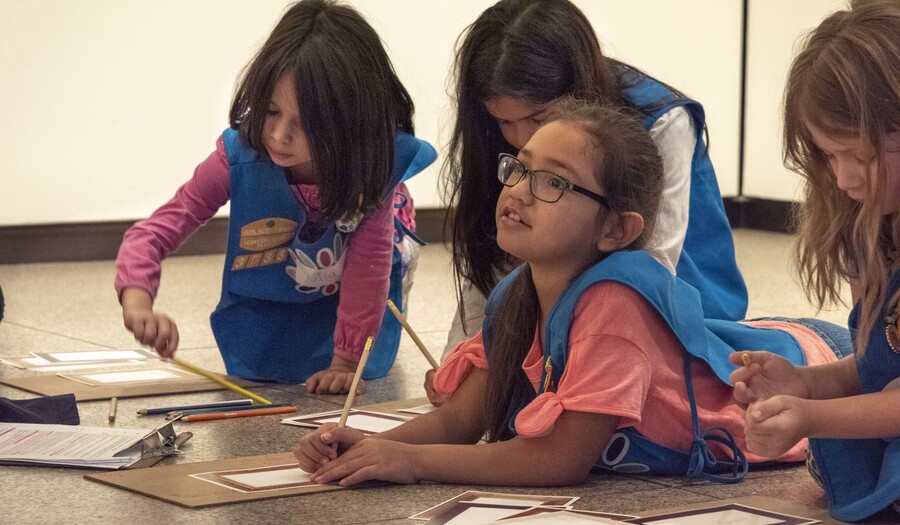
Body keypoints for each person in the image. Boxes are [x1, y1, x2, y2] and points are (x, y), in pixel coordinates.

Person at [295, 102, 848, 487]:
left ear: (615, 230)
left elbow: (561, 458)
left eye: (553, 182)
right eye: (520, 169)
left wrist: (413, 464)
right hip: (761, 342)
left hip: (813, 362)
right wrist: (366, 446)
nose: (519, 191)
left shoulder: (614, 304)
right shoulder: (515, 293)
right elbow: (464, 420)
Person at [428, 0, 747, 403]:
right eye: (504, 122)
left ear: (577, 90)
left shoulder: (664, 122)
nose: (523, 139)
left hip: (678, 319)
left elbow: (648, 270)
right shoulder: (507, 141)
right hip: (564, 323)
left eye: (538, 118)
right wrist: (458, 363)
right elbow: (492, 254)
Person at [114, 0, 436, 391]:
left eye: (306, 124)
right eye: (269, 111)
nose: (279, 136)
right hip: (278, 294)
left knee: (384, 255)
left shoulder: (372, 168)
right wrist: (137, 303)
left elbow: (368, 269)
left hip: (359, 287)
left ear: (352, 124)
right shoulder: (237, 158)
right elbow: (152, 233)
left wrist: (346, 361)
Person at [729, 2, 900, 521]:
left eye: (863, 157)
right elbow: (878, 370)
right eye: (829, 155)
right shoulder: (870, 227)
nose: (844, 178)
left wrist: (813, 415)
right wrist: (805, 385)